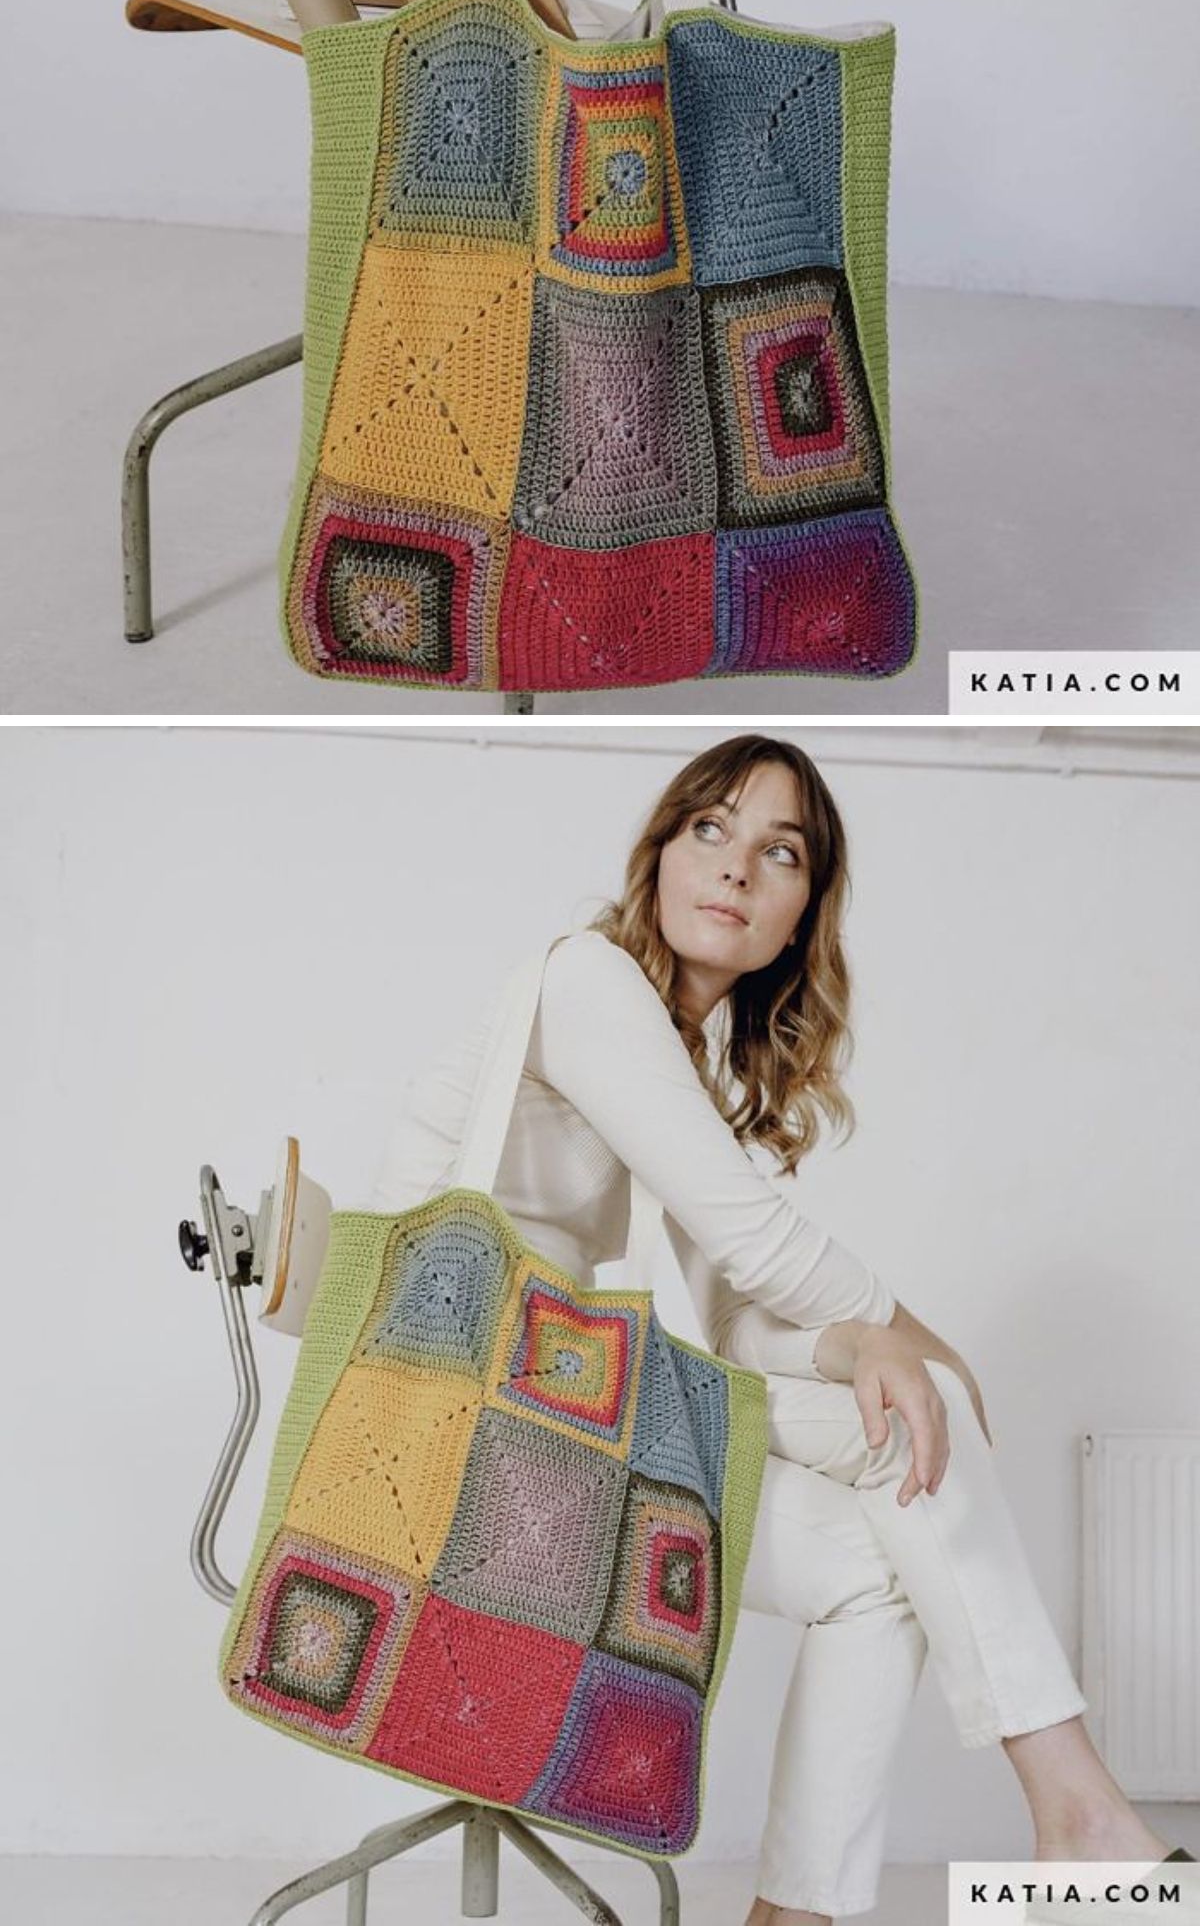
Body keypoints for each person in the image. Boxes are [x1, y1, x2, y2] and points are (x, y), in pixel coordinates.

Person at [372, 733, 1181, 1923]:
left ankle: (808, 1911)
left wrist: (862, 1350)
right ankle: (1084, 1820)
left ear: (802, 916)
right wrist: (920, 1344)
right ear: (659, 855)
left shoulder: (679, 1065)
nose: (736, 867)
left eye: (779, 852)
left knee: (875, 1562)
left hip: (558, 1425)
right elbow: (755, 1242)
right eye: (710, 828)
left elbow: (735, 1324)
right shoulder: (587, 983)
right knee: (927, 1406)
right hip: (454, 1433)